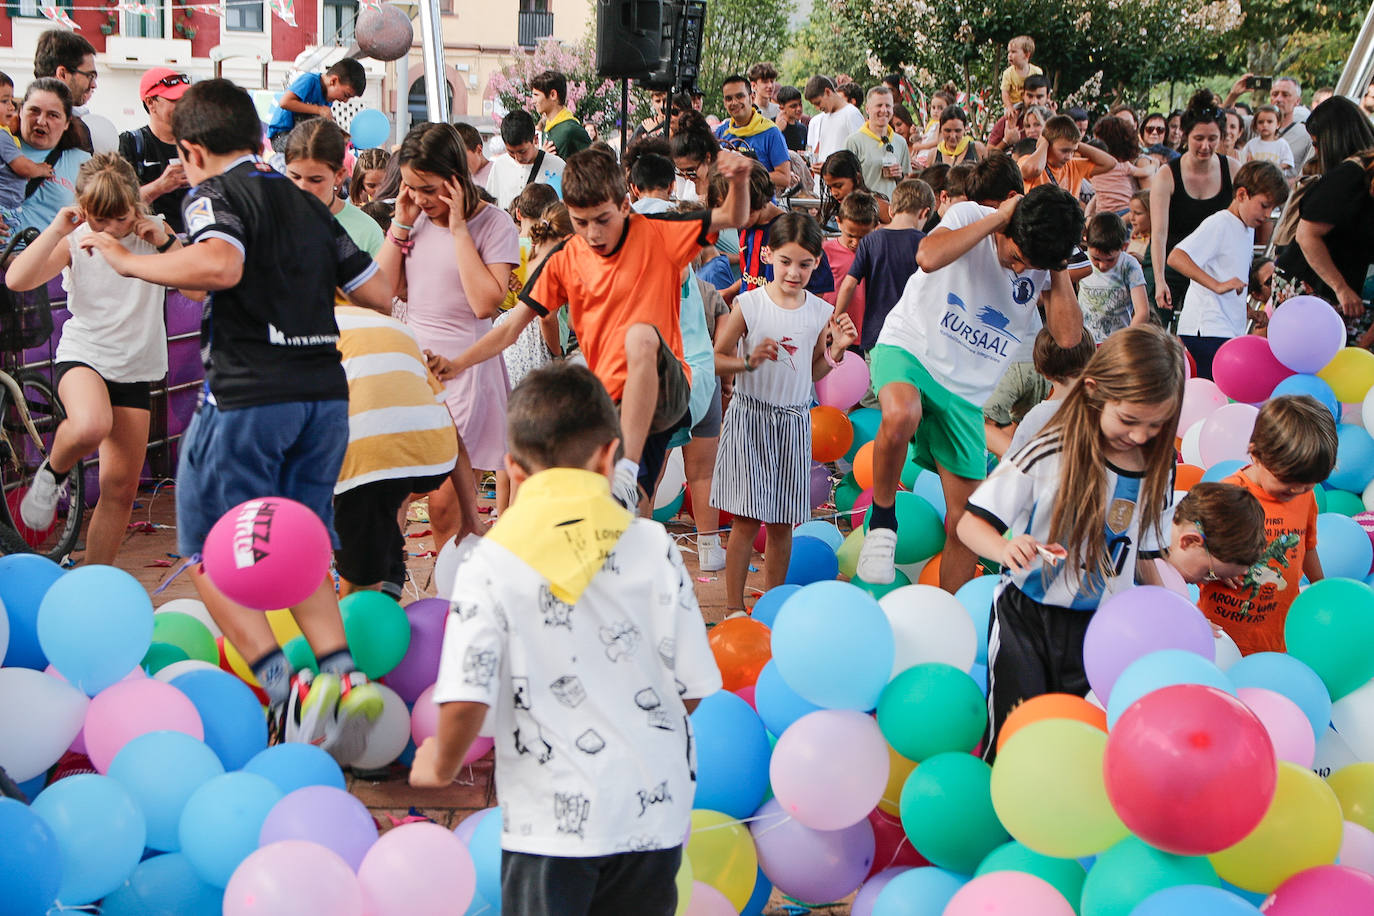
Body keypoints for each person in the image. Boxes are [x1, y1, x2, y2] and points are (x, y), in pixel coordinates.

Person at [83, 78, 392, 761]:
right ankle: (344, 676)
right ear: (256, 138)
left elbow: (220, 263)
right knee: (302, 540)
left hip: (251, 401)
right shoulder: (305, 199)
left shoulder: (214, 193)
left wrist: (130, 261)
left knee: (203, 551)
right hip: (324, 399)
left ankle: (288, 688)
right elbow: (379, 289)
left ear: (190, 149)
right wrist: (173, 249)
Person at [409, 362, 721, 916]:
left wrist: (438, 764)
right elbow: (692, 687)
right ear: (609, 457)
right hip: (653, 814)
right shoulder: (654, 545)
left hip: (553, 828)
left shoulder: (493, 560)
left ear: (514, 472)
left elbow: (465, 698)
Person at [427, 147, 754, 511]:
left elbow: (732, 217)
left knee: (640, 335)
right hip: (610, 399)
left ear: (625, 206)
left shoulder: (659, 234)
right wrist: (457, 364)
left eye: (602, 220)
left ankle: (626, 473)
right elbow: (510, 328)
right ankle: (618, 518)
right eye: (580, 223)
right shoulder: (564, 258)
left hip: (664, 386)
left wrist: (739, 182)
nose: (593, 234)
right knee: (628, 504)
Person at [855, 155, 1086, 590]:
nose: (1020, 269)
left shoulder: (1042, 262)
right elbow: (927, 255)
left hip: (965, 392)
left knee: (969, 522)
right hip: (912, 349)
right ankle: (883, 523)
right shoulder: (970, 215)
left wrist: (1055, 267)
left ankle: (950, 608)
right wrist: (998, 218)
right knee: (901, 413)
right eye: (1017, 256)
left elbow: (1068, 338)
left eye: (1030, 266)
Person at [958, 326, 1184, 756]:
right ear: (1095, 391)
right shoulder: (1048, 450)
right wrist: (1004, 548)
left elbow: (1142, 556)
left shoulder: (1160, 466)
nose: (1139, 436)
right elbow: (971, 524)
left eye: (1155, 425)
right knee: (1017, 742)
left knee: (1082, 747)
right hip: (1028, 620)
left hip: (1104, 630)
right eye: (1129, 420)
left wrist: (1173, 619)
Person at [10, 154, 191, 565]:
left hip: (136, 367)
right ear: (84, 211)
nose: (110, 230)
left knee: (120, 489)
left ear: (136, 204)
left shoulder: (154, 232)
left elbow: (196, 290)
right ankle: (52, 474)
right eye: (99, 220)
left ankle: (95, 580)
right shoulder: (75, 239)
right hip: (84, 355)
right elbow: (17, 279)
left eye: (120, 218)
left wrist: (164, 240)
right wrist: (61, 227)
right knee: (92, 423)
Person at [376, 123, 518, 547]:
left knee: (446, 504)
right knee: (399, 490)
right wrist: (400, 225)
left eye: (428, 188)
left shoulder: (494, 224)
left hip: (467, 370)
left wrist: (458, 230)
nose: (419, 198)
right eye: (410, 187)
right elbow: (382, 295)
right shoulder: (412, 218)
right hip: (414, 371)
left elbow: (483, 304)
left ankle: (451, 599)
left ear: (455, 179)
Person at [711, 212, 857, 612]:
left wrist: (836, 351)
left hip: (793, 422)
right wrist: (746, 363)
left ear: (816, 263)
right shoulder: (749, 304)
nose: (794, 272)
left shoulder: (819, 312)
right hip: (749, 418)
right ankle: (733, 607)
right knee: (744, 520)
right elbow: (715, 359)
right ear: (769, 255)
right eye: (786, 262)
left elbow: (812, 370)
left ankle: (773, 606)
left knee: (780, 525)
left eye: (805, 264)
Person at [332, 303, 457, 598]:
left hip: (369, 452)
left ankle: (358, 622)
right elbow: (447, 417)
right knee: (383, 507)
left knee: (357, 561)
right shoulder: (392, 326)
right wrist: (473, 521)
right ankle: (387, 578)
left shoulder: (302, 325)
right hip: (434, 454)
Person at [1196, 395, 1335, 654]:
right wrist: (1214, 571)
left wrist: (1321, 587)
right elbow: (1188, 559)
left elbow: (1307, 546)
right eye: (1288, 482)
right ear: (1257, 454)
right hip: (1223, 634)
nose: (1297, 490)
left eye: (1308, 485)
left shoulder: (1305, 497)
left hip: (1277, 633)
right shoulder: (1226, 496)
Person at [1169, 161, 1288, 378]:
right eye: (1264, 205)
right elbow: (1177, 257)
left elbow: (1227, 277)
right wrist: (1217, 285)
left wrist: (1248, 311)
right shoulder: (1220, 223)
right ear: (1242, 194)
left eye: (1273, 209)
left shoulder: (1246, 228)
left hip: (1225, 328)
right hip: (1207, 328)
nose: (1268, 214)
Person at [1272, 99, 1374, 347]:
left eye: (1318, 145)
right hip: (1310, 286)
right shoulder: (1348, 175)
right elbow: (1307, 236)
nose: (1318, 153)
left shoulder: (1361, 170)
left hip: (1342, 289)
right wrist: (1340, 287)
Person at [1149, 90, 1238, 330]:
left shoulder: (1233, 169)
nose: (1205, 146)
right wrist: (1159, 281)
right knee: (1154, 326)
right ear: (1186, 135)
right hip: (1170, 258)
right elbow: (1158, 234)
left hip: (1213, 264)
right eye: (1199, 138)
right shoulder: (1167, 175)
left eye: (1213, 138)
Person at [835, 178, 932, 351]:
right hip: (911, 334)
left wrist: (837, 319)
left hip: (876, 331)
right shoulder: (926, 244)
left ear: (891, 210)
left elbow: (849, 285)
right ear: (924, 213)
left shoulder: (871, 241)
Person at [283, 119, 384, 260]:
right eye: (295, 176)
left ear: (339, 175)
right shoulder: (269, 221)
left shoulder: (367, 231)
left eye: (315, 179)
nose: (302, 188)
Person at [2, 79, 91, 236]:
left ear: (67, 122)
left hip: (49, 257)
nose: (41, 121)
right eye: (34, 111)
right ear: (21, 111)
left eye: (53, 115)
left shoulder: (84, 163)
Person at [1000, 328, 1097, 457]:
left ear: (1043, 371)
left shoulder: (1035, 417)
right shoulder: (1099, 408)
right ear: (1092, 361)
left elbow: (1012, 465)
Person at [117, 66, 191, 234]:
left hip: (195, 245)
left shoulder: (198, 142)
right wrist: (160, 186)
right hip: (151, 244)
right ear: (151, 103)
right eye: (175, 100)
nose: (183, 106)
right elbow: (118, 204)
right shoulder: (131, 142)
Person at [1160, 482, 1267, 586]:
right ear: (1189, 541)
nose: (1205, 582)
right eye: (1209, 574)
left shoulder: (1189, 512)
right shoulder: (1146, 571)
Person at [1079, 212, 1150, 343]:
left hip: (1118, 340)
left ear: (1124, 247)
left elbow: (1142, 312)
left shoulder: (1128, 265)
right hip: (1086, 341)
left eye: (1110, 260)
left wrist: (1124, 340)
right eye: (1096, 259)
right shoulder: (1081, 260)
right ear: (1086, 242)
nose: (1102, 265)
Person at [266, 59, 366, 152]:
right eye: (346, 95)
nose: (344, 101)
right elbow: (285, 102)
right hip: (282, 135)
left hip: (301, 137)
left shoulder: (328, 99)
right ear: (333, 81)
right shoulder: (309, 80)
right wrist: (319, 110)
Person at [715, 74, 790, 190]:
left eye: (740, 96)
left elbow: (784, 178)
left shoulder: (771, 132)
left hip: (761, 205)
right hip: (728, 204)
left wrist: (747, 174)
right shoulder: (721, 132)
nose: (734, 103)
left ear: (752, 97)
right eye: (728, 98)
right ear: (724, 102)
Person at [33, 30, 101, 153]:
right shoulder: (79, 131)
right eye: (89, 76)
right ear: (62, 74)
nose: (93, 85)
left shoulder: (14, 126)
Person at [821, 191, 879, 329]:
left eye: (863, 237)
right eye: (850, 235)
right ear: (838, 222)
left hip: (864, 331)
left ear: (876, 226)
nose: (856, 242)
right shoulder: (825, 252)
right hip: (829, 328)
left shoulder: (878, 254)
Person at [486, 109, 566, 210]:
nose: (517, 158)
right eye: (511, 152)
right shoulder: (500, 165)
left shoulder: (557, 166)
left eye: (522, 151)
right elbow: (491, 206)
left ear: (535, 139)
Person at [1018, 114, 1116, 195]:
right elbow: (1033, 169)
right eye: (1064, 151)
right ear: (1049, 145)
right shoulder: (1027, 161)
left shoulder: (1074, 166)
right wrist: (1043, 142)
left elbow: (1110, 163)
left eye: (1073, 151)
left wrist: (1077, 144)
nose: (1069, 157)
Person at [0, 72, 54, 209]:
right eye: (4, 101)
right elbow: (22, 167)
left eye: (11, 100)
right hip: (5, 206)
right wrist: (40, 169)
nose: (11, 107)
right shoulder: (1, 136)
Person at [844, 85, 910, 197]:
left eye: (888, 106)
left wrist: (900, 176)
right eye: (879, 105)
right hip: (863, 209)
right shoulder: (854, 141)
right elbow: (846, 181)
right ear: (867, 109)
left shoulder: (900, 142)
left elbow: (907, 182)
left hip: (891, 210)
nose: (884, 110)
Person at [1090, 115, 1155, 215]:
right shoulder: (1122, 165)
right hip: (1125, 210)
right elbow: (1144, 172)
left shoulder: (1093, 168)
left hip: (1102, 213)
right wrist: (1154, 164)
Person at [804, 75, 865, 174]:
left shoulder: (851, 114)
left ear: (828, 92)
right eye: (813, 105)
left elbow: (861, 155)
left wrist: (831, 168)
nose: (817, 108)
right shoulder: (823, 118)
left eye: (818, 103)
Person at [818, 149, 889, 229]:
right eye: (830, 187)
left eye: (838, 186)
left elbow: (902, 229)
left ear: (857, 179)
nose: (834, 193)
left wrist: (883, 229)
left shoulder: (877, 205)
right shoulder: (832, 207)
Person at [531, 69, 591, 159]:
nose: (533, 101)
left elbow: (595, 164)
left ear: (553, 95)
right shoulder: (547, 127)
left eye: (536, 95)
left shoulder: (570, 129)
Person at [988, 74, 1050, 149]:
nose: (1034, 102)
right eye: (1030, 96)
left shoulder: (1053, 121)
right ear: (1023, 95)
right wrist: (1006, 141)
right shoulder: (1008, 120)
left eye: (1039, 97)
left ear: (1048, 97)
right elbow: (987, 155)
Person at [1241, 105, 1296, 179]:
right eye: (1260, 122)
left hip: (1275, 181)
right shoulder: (1252, 144)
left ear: (1278, 124)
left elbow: (1288, 163)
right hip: (1256, 180)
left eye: (1270, 122)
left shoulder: (1282, 144)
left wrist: (1272, 168)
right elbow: (1243, 160)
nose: (1265, 125)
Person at [1000, 36, 1043, 115]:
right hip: (1014, 105)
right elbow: (1005, 93)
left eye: (1013, 52)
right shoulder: (1008, 74)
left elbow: (1041, 89)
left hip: (1032, 102)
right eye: (1009, 52)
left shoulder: (1037, 72)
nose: (1009, 55)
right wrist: (1009, 107)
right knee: (1010, 116)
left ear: (1026, 55)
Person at [453, 121, 494, 189]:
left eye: (462, 159)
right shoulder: (460, 180)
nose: (459, 165)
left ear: (478, 150)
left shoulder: (498, 172)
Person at [774, 85, 808, 151]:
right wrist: (778, 130)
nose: (799, 109)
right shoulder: (771, 125)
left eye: (800, 104)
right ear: (782, 108)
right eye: (793, 106)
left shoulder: (802, 129)